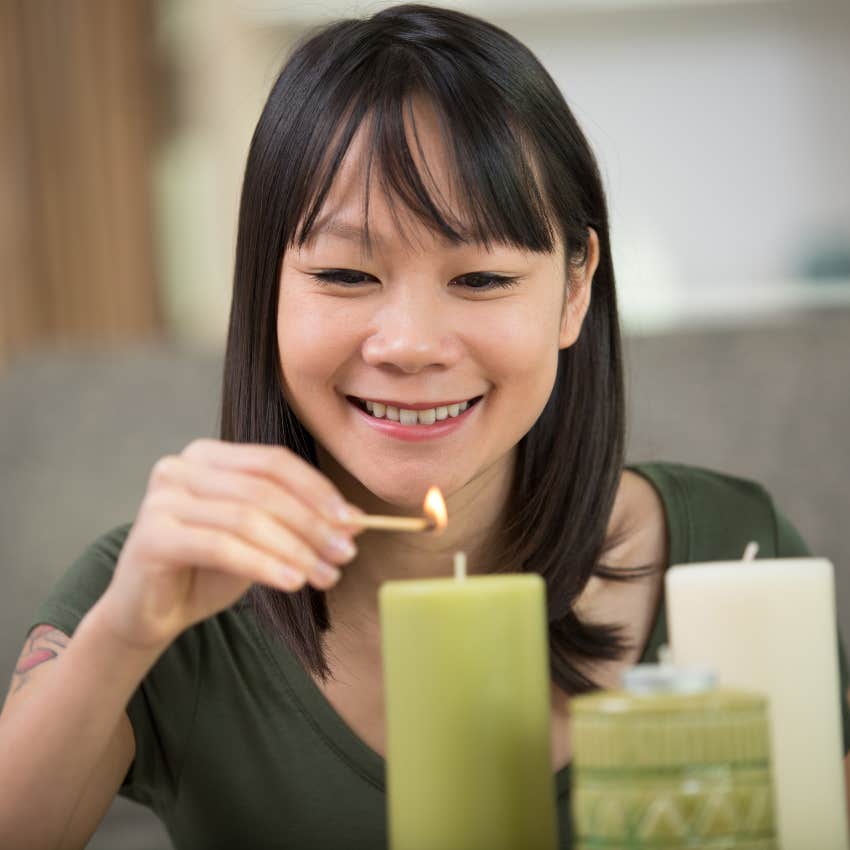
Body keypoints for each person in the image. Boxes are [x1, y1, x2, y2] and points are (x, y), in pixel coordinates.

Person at [1, 4, 848, 848]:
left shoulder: (731, 553)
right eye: (343, 273)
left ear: (576, 289)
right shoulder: (156, 590)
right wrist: (124, 634)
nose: (409, 346)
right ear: (265, 290)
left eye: (480, 278)